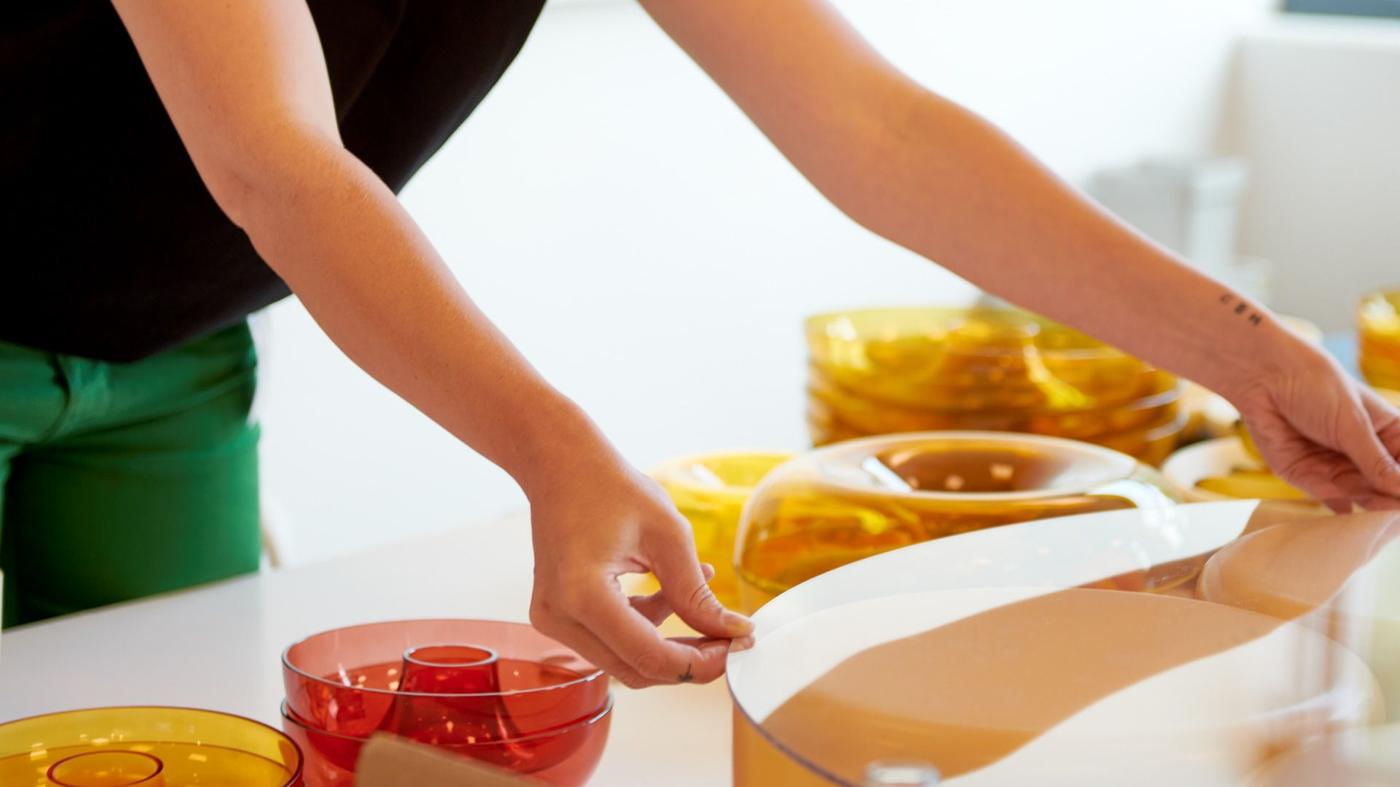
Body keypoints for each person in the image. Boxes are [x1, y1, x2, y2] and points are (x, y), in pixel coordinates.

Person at [3, 0, 1397, 690]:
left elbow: (874, 125)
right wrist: (556, 456)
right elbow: (280, 166)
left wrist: (1249, 352)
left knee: (170, 728)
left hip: (179, 361)